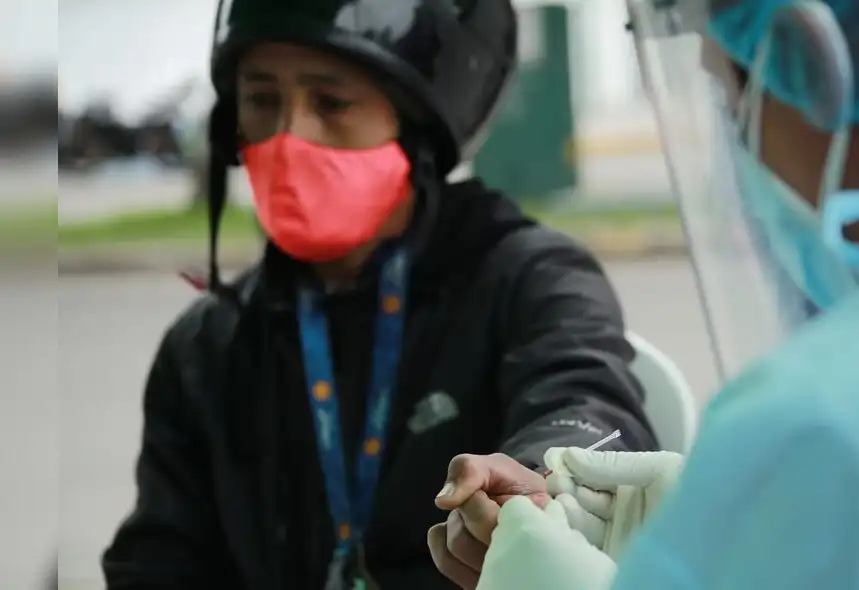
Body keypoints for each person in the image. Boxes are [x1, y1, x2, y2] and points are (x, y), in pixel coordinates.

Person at [432, 0, 859, 588]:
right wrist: (701, 519)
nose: (743, 153)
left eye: (734, 108)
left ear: (814, 62)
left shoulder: (833, 428)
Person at [101, 1, 660, 589]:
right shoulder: (206, 348)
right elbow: (159, 560)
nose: (289, 137)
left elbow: (593, 408)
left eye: (332, 102)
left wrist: (540, 475)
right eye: (263, 101)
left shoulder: (529, 277)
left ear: (414, 123)